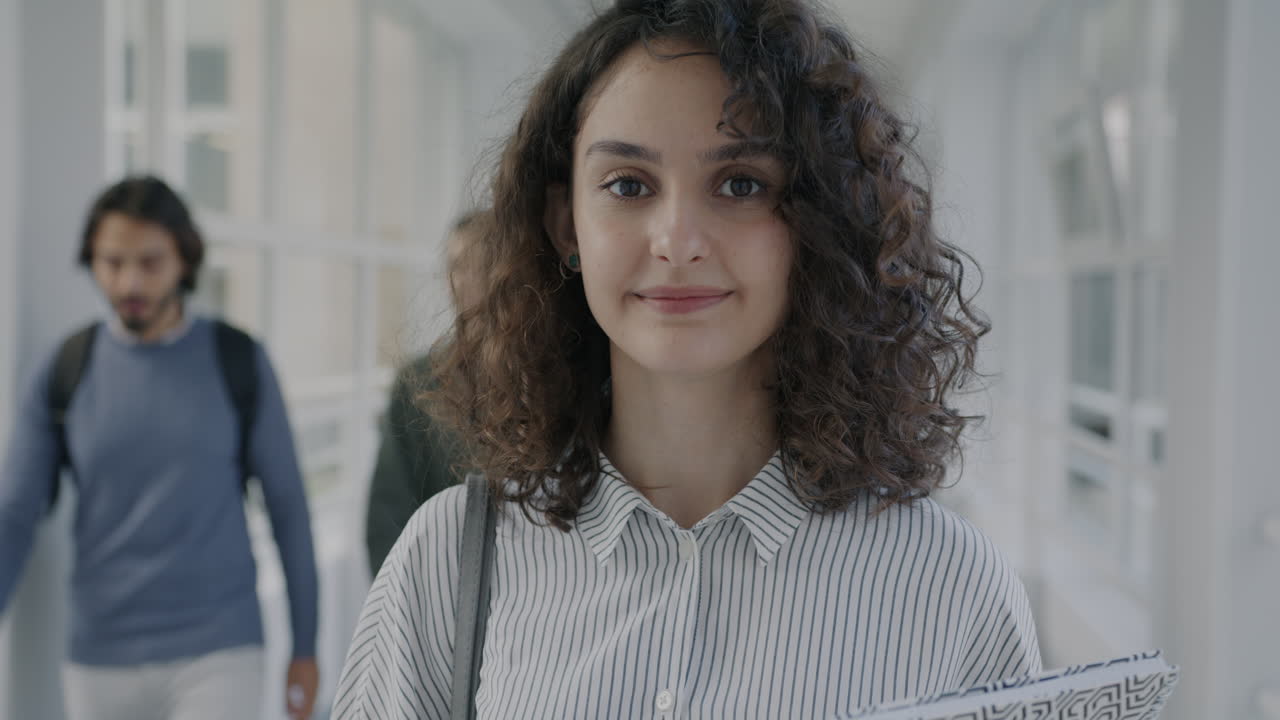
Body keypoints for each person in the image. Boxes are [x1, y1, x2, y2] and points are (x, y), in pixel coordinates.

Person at [333, 0, 1041, 717]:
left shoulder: (951, 585)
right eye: (629, 186)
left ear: (822, 223)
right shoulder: (449, 559)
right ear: (565, 225)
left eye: (740, 184)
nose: (676, 239)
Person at [0, 176, 320, 720]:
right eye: (112, 262)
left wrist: (306, 647)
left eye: (150, 263)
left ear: (184, 260)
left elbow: (288, 505)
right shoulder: (65, 370)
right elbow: (13, 513)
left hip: (221, 648)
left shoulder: (238, 360)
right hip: (98, 656)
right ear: (92, 261)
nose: (129, 282)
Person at [364, 210, 488, 574]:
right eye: (455, 265)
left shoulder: (544, 378)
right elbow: (387, 510)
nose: (462, 279)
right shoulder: (419, 381)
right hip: (435, 587)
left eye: (479, 263)